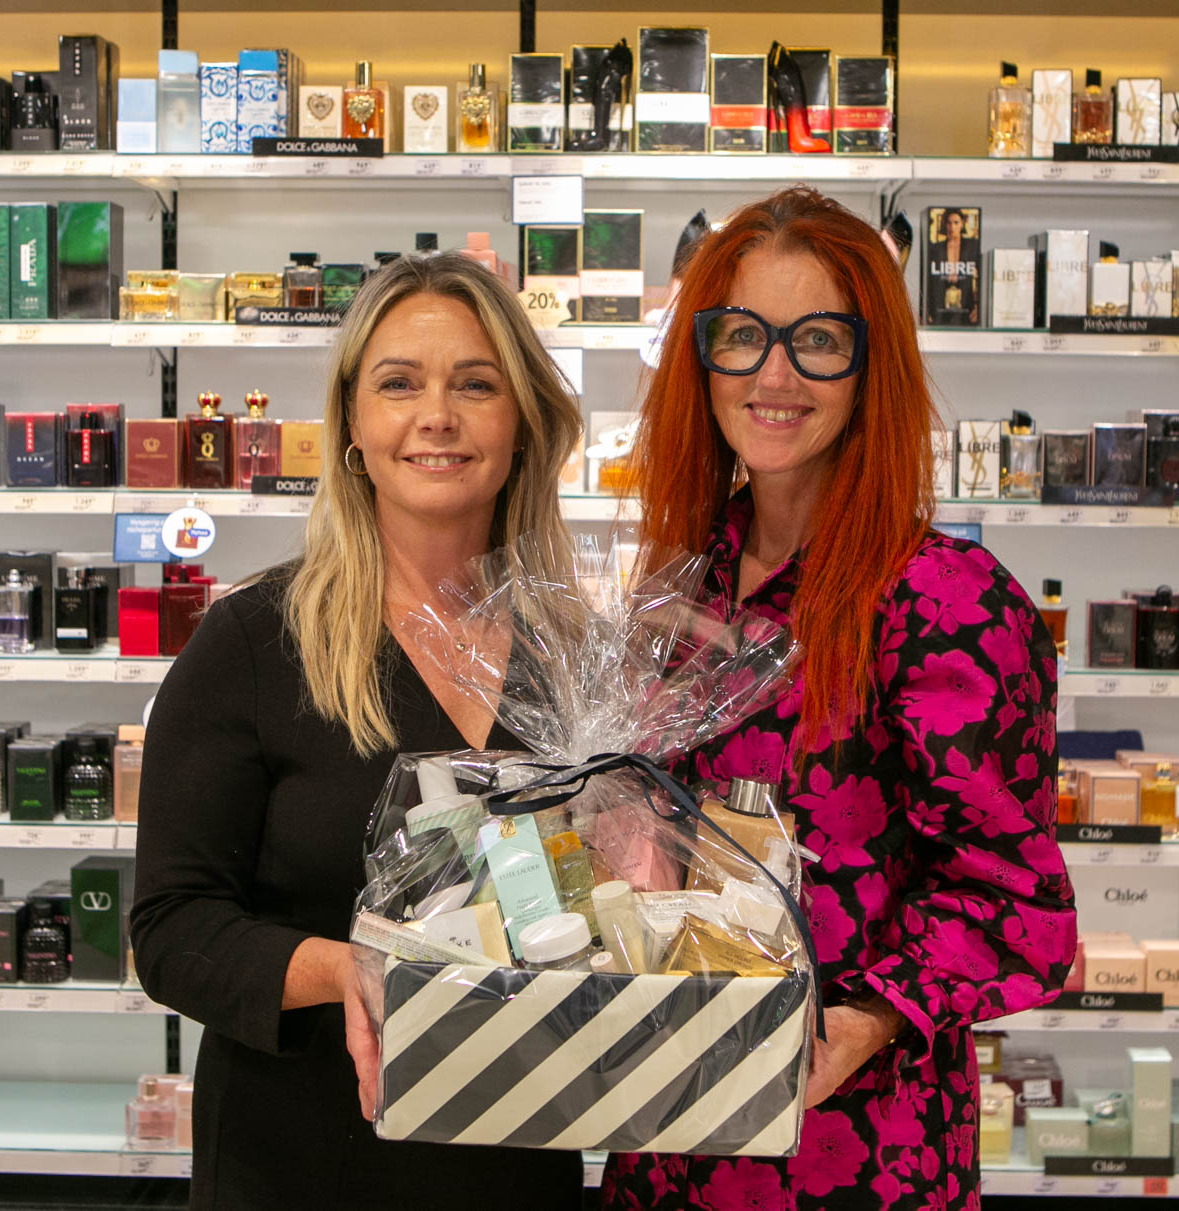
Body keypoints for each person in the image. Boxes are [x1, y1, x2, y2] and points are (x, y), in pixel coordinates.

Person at [603, 187, 1077, 1211]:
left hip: (847, 1147)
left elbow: (1013, 901)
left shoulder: (944, 602)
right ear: (701, 356)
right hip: (664, 1131)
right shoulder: (680, 583)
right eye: (743, 335)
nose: (773, 374)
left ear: (871, 369)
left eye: (817, 340)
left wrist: (867, 1017)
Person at [130, 252, 586, 1211]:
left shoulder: (573, 655)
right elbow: (171, 930)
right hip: (300, 1162)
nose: (437, 415)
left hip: (514, 1156)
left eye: (476, 384)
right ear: (350, 425)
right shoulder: (254, 642)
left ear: (523, 424)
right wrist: (352, 970)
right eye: (399, 383)